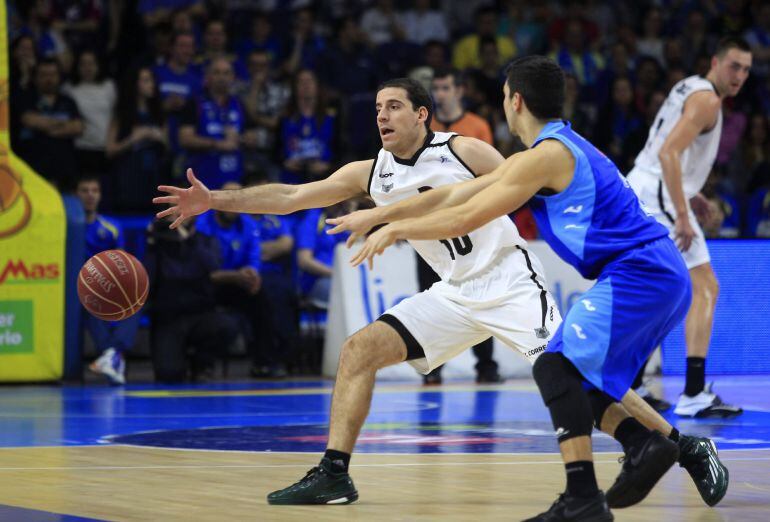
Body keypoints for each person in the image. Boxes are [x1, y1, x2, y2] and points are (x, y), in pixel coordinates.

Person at [154, 77, 726, 511]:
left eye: (394, 105)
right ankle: (334, 471)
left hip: (509, 284)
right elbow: (294, 196)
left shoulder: (463, 151)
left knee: (581, 381)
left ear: (422, 113)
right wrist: (217, 201)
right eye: (377, 108)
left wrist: (400, 220)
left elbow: (516, 188)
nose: (382, 114)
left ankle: (680, 443)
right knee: (359, 350)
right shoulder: (369, 172)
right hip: (452, 294)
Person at [344, 57, 723, 519]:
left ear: (515, 100)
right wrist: (381, 214)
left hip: (641, 271)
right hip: (649, 272)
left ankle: (596, 488)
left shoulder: (547, 155)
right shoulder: (547, 150)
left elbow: (468, 214)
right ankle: (655, 453)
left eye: (504, 96)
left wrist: (396, 229)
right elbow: (458, 194)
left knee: (558, 370)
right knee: (569, 372)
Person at [626, 37, 752, 418]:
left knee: (663, 290)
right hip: (658, 197)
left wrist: (691, 194)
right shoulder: (707, 100)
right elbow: (668, 153)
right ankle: (694, 393)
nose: (740, 76)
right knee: (705, 286)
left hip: (645, 188)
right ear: (716, 61)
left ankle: (630, 383)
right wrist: (682, 213)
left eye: (746, 70)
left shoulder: (689, 86)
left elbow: (664, 147)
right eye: (734, 66)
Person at [428, 66, 499, 384]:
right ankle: (433, 367)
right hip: (431, 224)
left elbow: (491, 175)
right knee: (431, 295)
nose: (439, 94)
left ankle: (486, 365)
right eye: (436, 88)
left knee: (479, 292)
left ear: (459, 90)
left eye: (445, 88)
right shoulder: (425, 125)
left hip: (472, 221)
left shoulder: (477, 126)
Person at [76, 175, 140, 385]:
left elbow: (120, 265)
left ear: (100, 195)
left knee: (133, 297)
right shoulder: (68, 227)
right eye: (85, 190)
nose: (90, 195)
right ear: (76, 195)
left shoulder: (111, 226)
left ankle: (111, 354)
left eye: (94, 190)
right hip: (76, 287)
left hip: (105, 285)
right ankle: (113, 356)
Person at [179, 57, 245, 189]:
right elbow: (185, 138)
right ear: (208, 76)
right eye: (217, 72)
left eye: (226, 73)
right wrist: (218, 144)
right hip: (202, 177)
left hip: (234, 177)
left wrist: (245, 138)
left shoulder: (239, 104)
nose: (222, 77)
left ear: (233, 77)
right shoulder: (194, 103)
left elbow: (250, 134)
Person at [17, 58, 83, 189]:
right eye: (44, 75)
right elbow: (30, 121)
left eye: (53, 74)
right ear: (35, 78)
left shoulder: (68, 101)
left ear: (59, 77)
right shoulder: (25, 99)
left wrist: (46, 126)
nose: (49, 79)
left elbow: (78, 127)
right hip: (33, 168)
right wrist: (64, 125)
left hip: (64, 170)